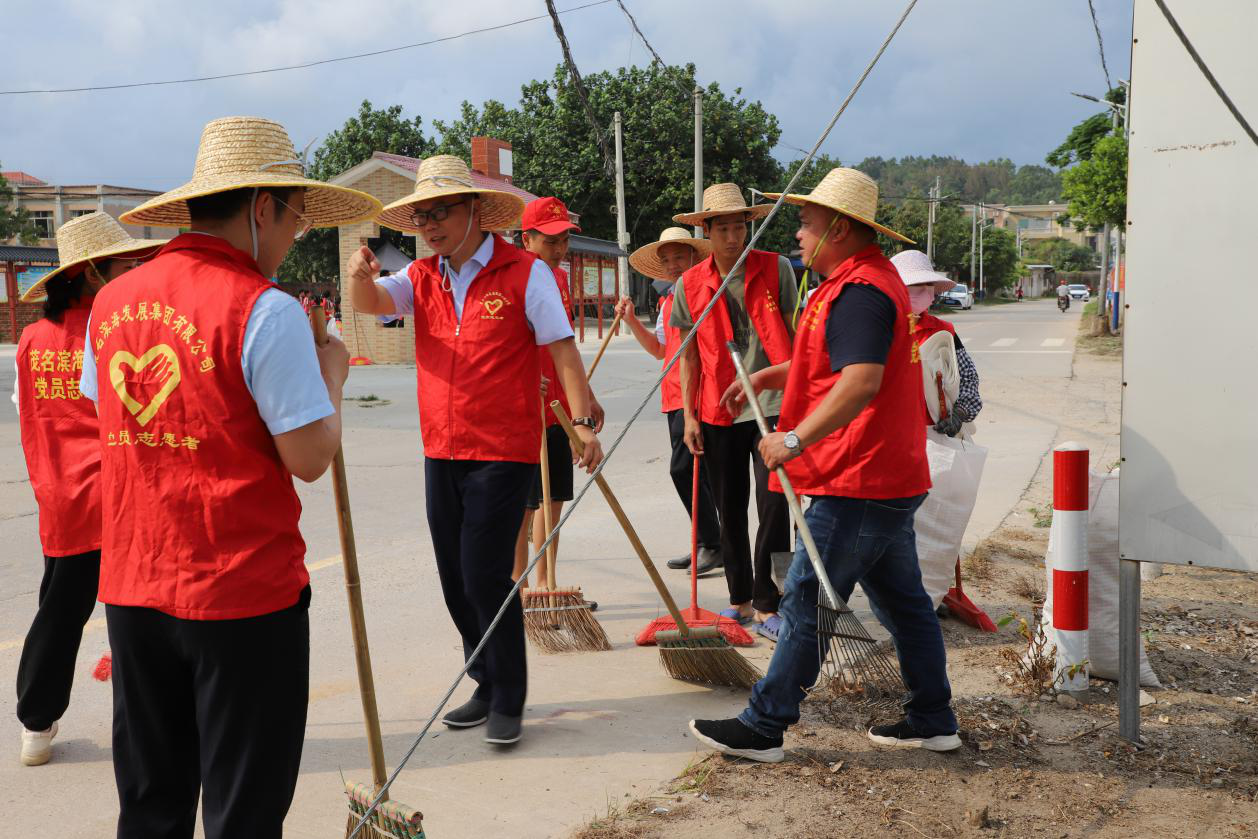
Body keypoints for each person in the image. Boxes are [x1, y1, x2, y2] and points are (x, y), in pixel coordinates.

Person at [84, 116, 379, 838]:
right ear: (261, 208)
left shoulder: (112, 302)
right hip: (240, 596)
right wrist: (333, 374)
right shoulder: (264, 309)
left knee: (151, 803)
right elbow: (309, 457)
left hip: (135, 588)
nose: (295, 235)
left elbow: (107, 411)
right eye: (296, 217)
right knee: (243, 809)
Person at [688, 167, 960, 762]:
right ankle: (933, 718)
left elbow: (861, 381)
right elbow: (832, 361)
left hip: (860, 477)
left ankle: (764, 724)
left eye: (807, 223)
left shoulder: (861, 291)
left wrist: (794, 439)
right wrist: (772, 374)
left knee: (806, 599)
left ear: (838, 229)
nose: (799, 235)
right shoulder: (856, 283)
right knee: (903, 604)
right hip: (883, 475)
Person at [348, 155, 604, 747]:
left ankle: (508, 696)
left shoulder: (525, 274)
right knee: (453, 577)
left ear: (474, 211)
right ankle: (485, 680)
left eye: (440, 212)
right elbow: (371, 303)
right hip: (440, 448)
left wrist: (582, 422)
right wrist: (360, 275)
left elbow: (563, 350)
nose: (429, 226)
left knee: (485, 573)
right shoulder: (420, 277)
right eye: (421, 217)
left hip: (503, 449)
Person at [12, 212, 162, 767]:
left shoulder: (31, 340)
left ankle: (36, 722)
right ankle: (149, 726)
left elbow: (28, 414)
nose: (132, 274)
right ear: (92, 274)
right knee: (141, 615)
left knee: (59, 611)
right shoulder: (116, 329)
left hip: (61, 498)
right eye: (123, 266)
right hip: (123, 495)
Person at [670, 183, 793, 640]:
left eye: (739, 226)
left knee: (775, 503)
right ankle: (740, 598)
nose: (732, 236)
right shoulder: (689, 284)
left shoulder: (776, 268)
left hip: (773, 402)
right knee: (731, 509)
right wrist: (689, 416)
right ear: (707, 230)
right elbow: (688, 357)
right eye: (722, 228)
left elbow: (795, 331)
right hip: (718, 408)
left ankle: (769, 601)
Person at [615, 227, 722, 574]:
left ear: (694, 257)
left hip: (701, 394)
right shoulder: (666, 302)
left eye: (679, 257)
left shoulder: (707, 294)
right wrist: (632, 321)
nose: (673, 265)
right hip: (674, 396)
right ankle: (706, 542)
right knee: (694, 473)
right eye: (667, 260)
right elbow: (661, 350)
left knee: (688, 470)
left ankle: (713, 543)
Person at [511, 196, 604, 591]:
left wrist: (587, 395)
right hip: (525, 407)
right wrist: (520, 378)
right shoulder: (515, 278)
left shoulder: (559, 280)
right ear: (527, 239)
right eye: (551, 241)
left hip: (560, 409)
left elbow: (565, 348)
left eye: (564, 240)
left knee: (553, 501)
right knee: (523, 505)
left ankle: (547, 585)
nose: (560, 249)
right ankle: (518, 587)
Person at [892, 249, 983, 436]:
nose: (926, 290)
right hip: (890, 432)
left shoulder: (944, 332)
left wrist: (959, 413)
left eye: (929, 284)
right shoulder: (876, 329)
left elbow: (968, 377)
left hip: (934, 433)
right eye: (917, 285)